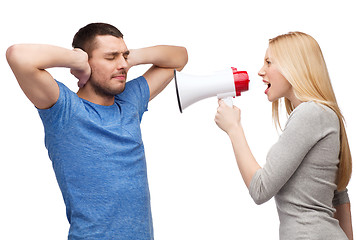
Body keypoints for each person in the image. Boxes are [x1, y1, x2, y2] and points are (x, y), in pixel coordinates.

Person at [6, 22, 188, 240]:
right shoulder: (65, 109)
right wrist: (76, 60)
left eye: (124, 56)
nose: (122, 65)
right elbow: (17, 55)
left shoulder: (129, 101)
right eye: (111, 57)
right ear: (86, 61)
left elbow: (180, 57)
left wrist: (131, 57)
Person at [214, 32, 353, 239]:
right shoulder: (322, 114)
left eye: (269, 62)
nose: (261, 71)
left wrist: (234, 129)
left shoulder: (310, 113)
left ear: (294, 66)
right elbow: (339, 196)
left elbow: (260, 189)